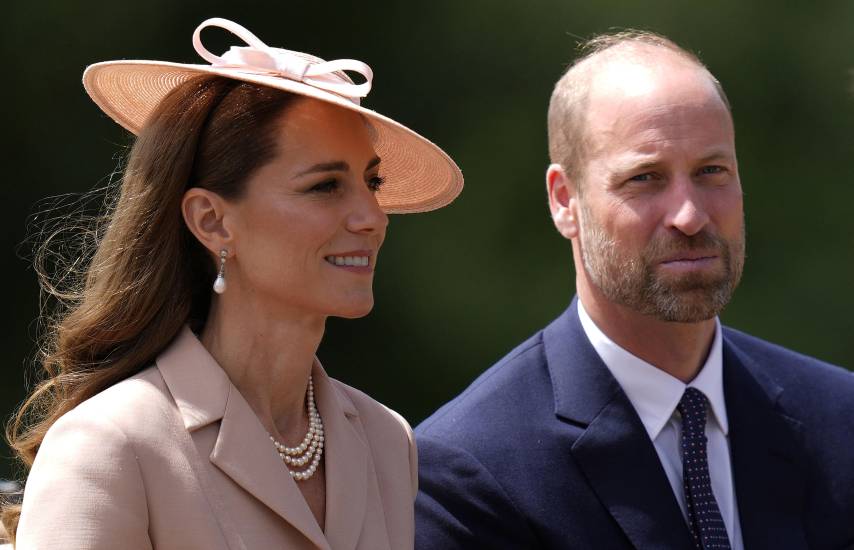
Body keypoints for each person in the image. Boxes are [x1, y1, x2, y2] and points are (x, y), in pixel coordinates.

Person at [4, 17, 462, 549]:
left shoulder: (388, 441)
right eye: (324, 186)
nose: (372, 217)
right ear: (212, 221)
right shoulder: (110, 446)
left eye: (371, 182)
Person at [414, 30, 854, 550]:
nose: (690, 216)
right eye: (644, 179)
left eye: (712, 171)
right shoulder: (471, 468)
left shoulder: (839, 420)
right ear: (564, 200)